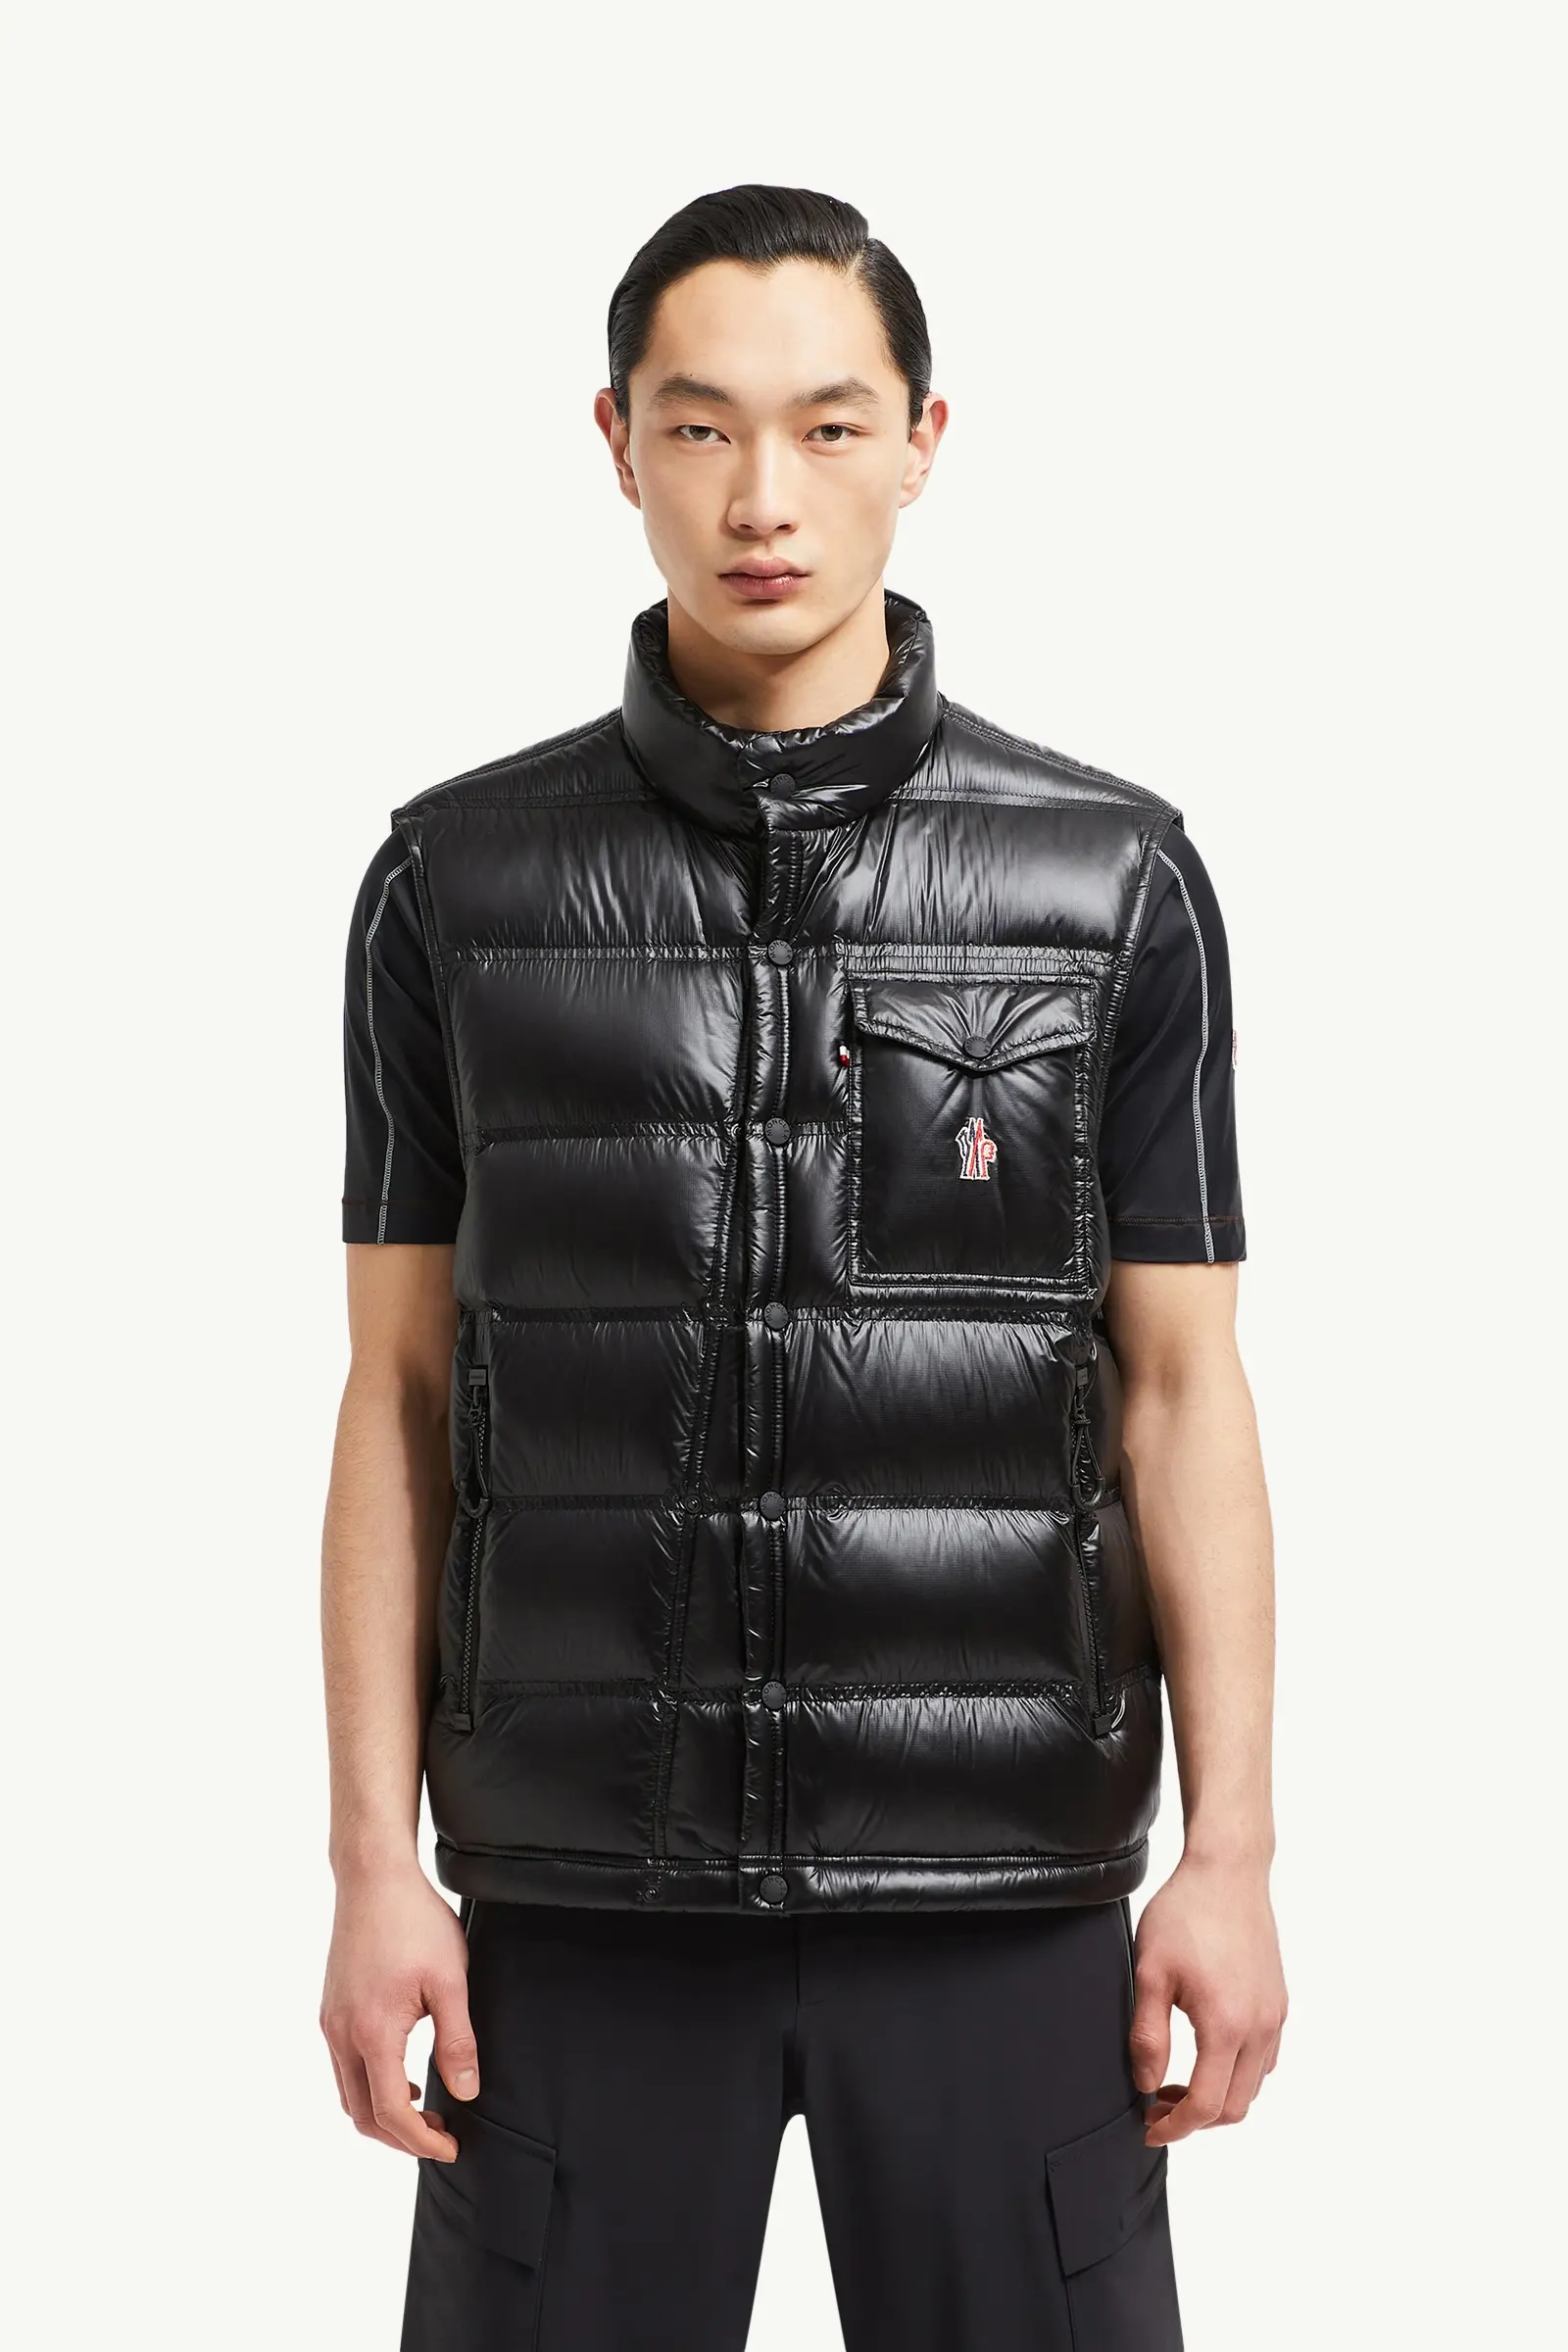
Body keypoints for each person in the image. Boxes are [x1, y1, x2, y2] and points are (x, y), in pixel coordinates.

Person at [318, 182, 1286, 2351]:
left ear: (922, 442)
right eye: (701, 427)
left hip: (999, 1888)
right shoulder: (454, 885)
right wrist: (375, 1864)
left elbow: (1178, 1390)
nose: (764, 497)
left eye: (829, 427)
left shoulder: (1107, 880)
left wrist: (1226, 1852)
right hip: (576, 1898)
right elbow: (399, 1398)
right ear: (617, 441)